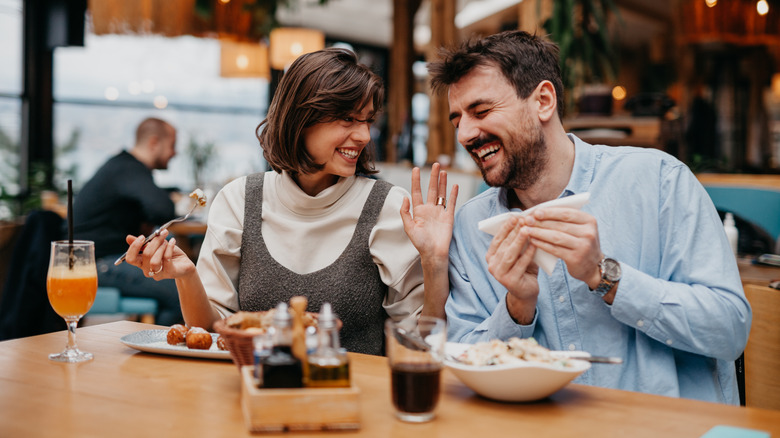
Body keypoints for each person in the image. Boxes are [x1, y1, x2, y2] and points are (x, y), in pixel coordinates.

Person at [421, 30, 751, 404]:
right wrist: (517, 308)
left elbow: (730, 329)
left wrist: (606, 276)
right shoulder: (468, 227)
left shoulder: (659, 180)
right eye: (456, 119)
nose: (465, 133)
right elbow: (461, 361)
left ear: (543, 101)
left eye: (481, 112)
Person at [124, 48, 455, 356]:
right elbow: (212, 333)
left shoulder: (387, 206)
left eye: (367, 120)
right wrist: (187, 277)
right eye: (348, 120)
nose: (365, 136)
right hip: (253, 393)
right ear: (301, 119)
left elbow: (419, 340)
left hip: (354, 399)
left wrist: (435, 263)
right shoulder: (240, 200)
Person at [73, 117, 183, 326]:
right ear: (153, 143)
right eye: (172, 145)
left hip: (100, 259)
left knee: (179, 282)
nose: (175, 153)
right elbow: (162, 209)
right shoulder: (129, 168)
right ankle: (161, 353)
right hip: (98, 264)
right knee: (180, 292)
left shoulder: (122, 167)